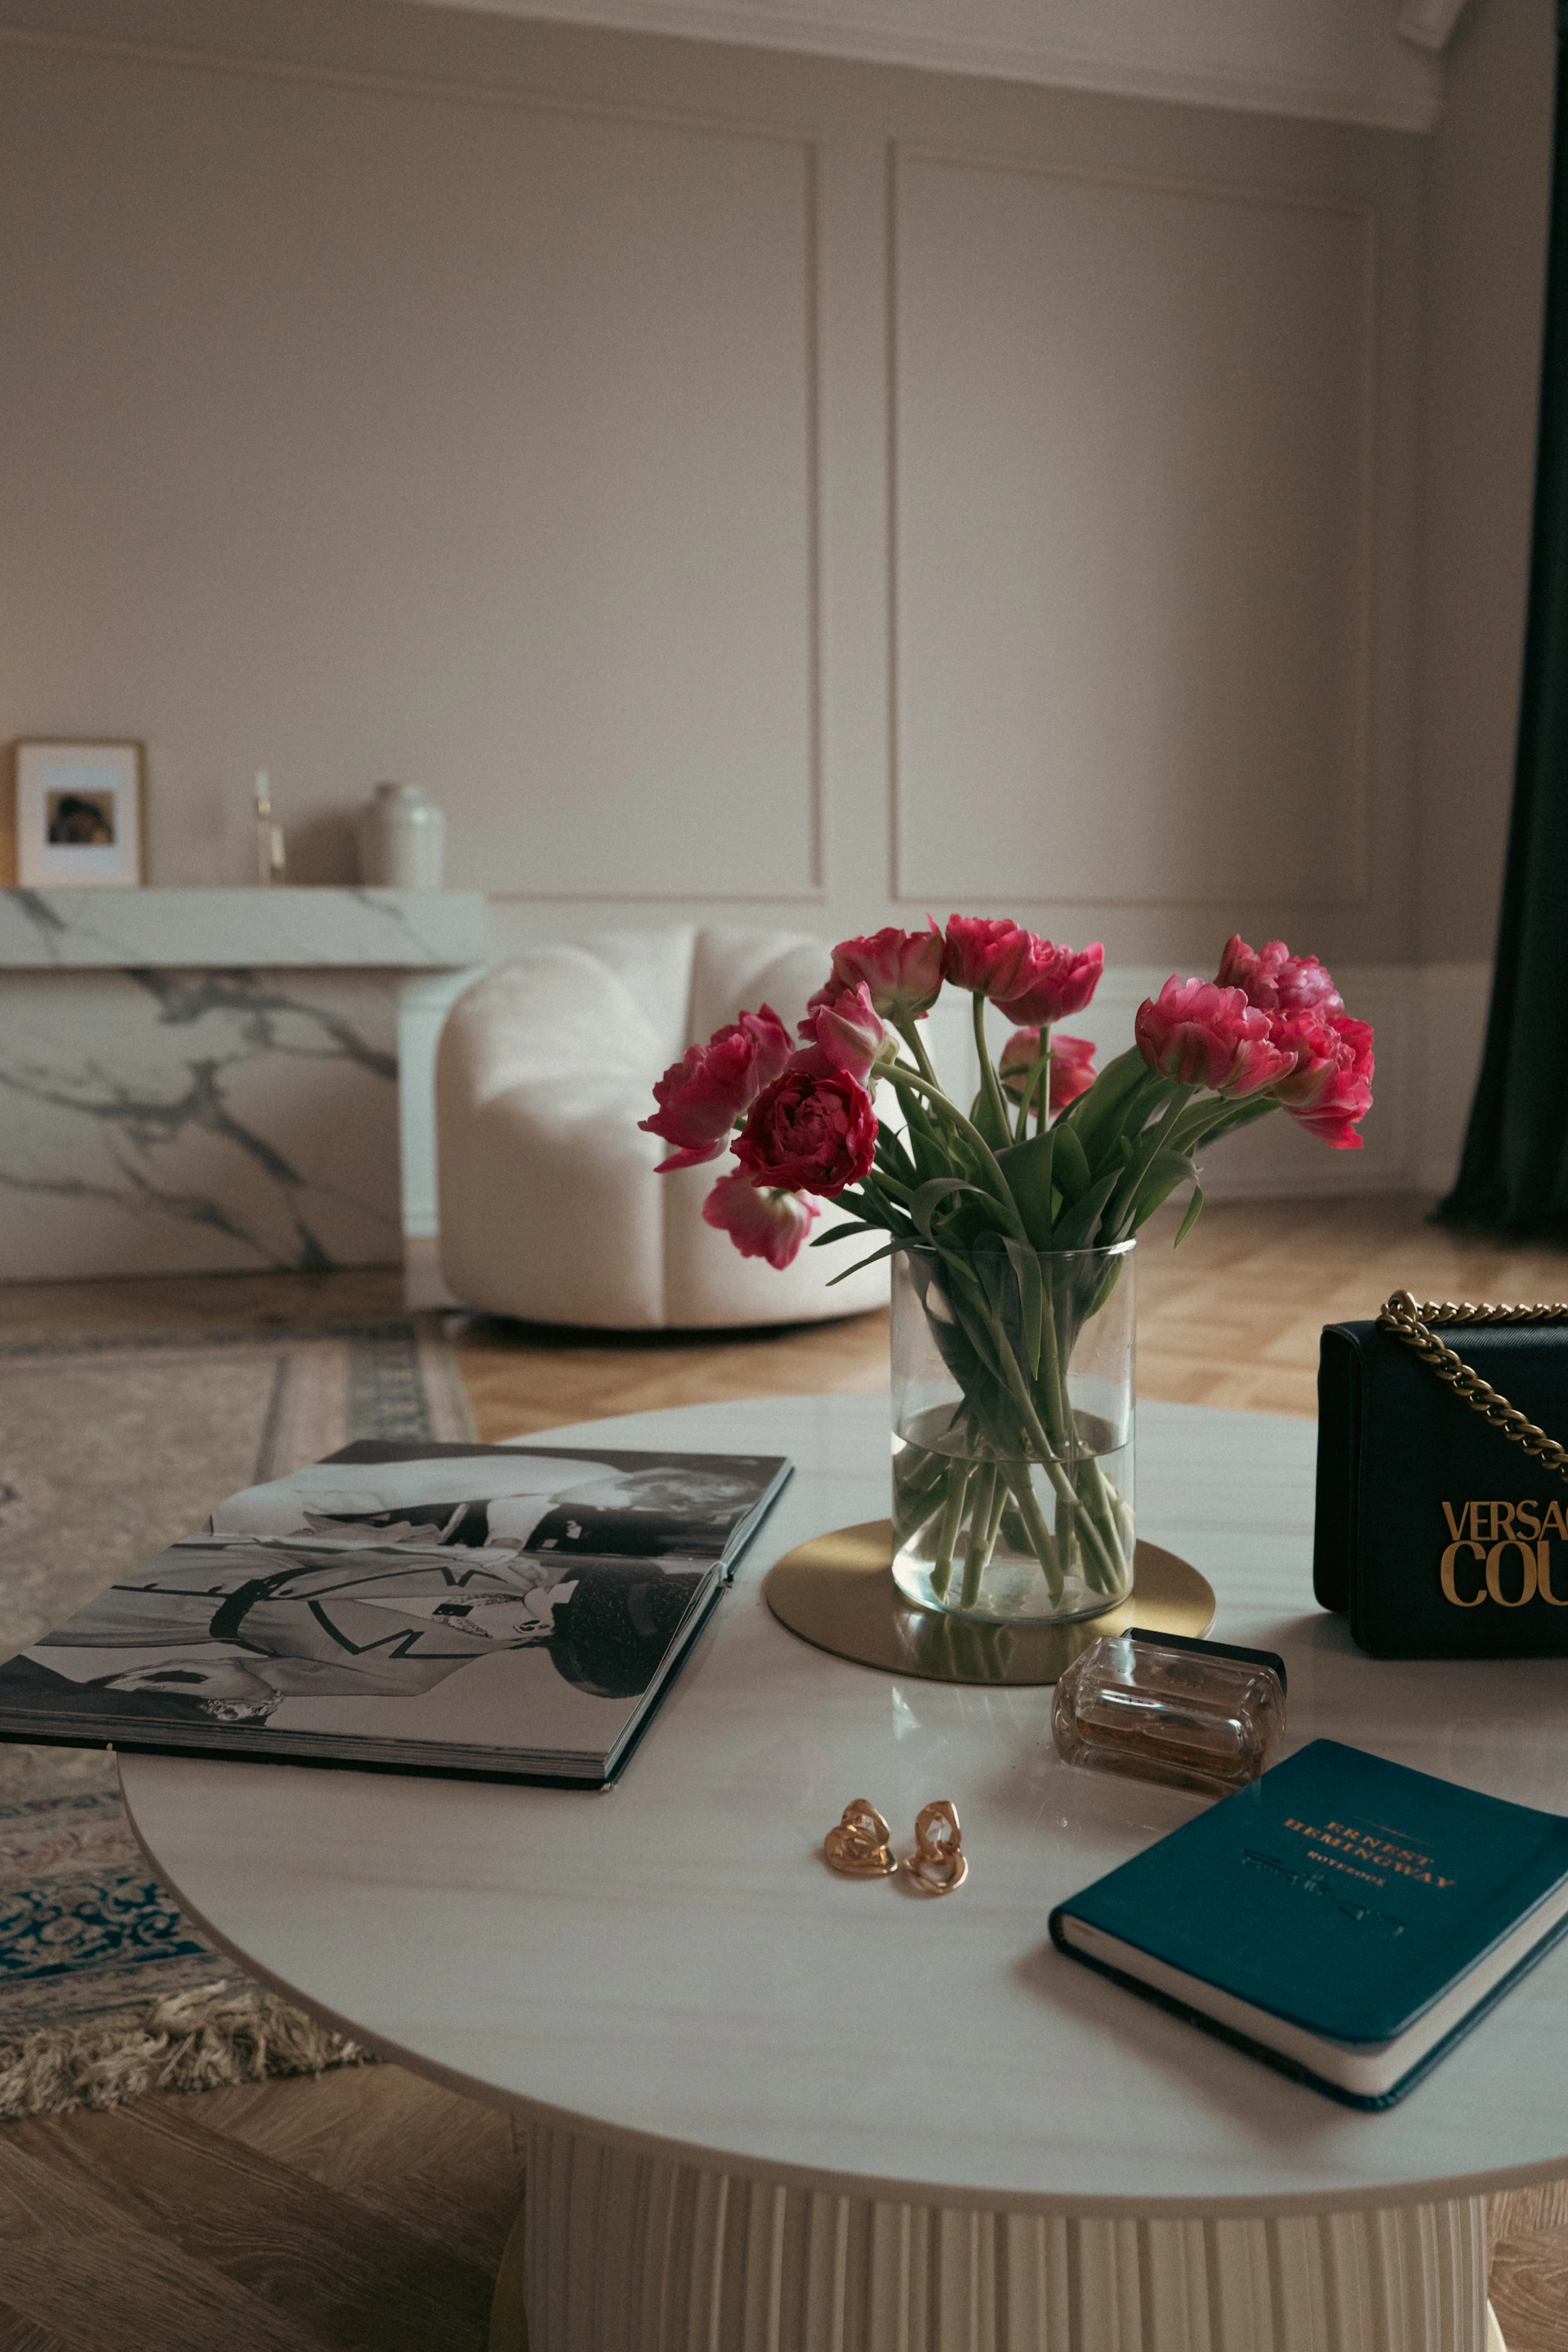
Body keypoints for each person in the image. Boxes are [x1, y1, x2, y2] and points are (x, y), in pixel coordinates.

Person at [23, 1540, 705, 1722]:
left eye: (565, 1620)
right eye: (577, 1590)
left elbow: (256, 1677)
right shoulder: (489, 1566)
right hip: (231, 1563)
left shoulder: (412, 1675)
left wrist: (231, 1693)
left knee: (42, 1619)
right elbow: (339, 1550)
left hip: (175, 1624)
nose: (547, 1602)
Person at [212, 1451, 768, 1558]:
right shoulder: (600, 1481)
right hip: (376, 1506)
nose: (702, 1500)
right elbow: (581, 1499)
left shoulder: (607, 1493)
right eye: (709, 1491)